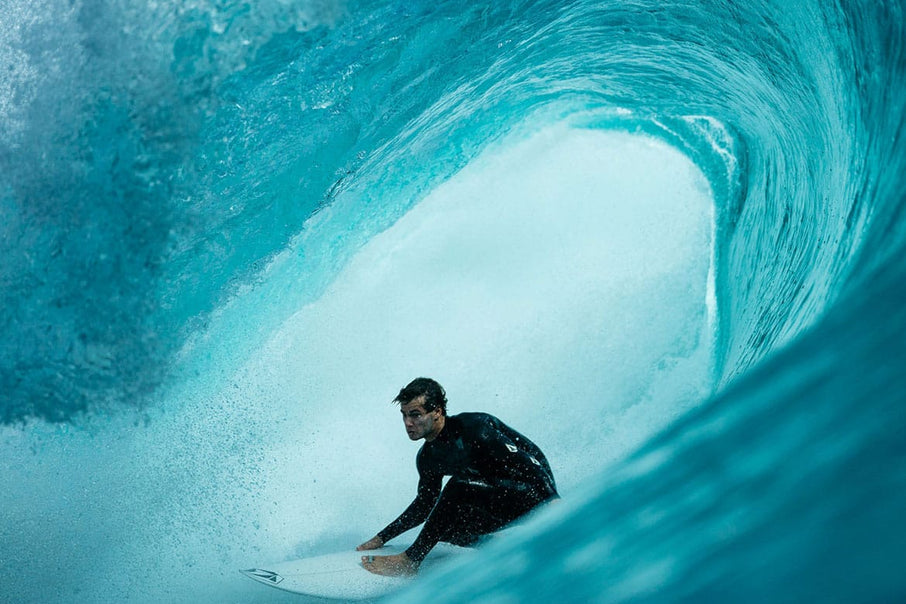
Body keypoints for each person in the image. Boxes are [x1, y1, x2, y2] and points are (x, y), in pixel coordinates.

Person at [358, 377, 558, 576]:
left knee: (459, 485)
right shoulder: (428, 457)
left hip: (532, 495)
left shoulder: (475, 429)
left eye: (415, 415)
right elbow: (424, 504)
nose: (408, 423)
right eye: (404, 415)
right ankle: (491, 544)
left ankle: (410, 560)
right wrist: (382, 538)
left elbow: (530, 464)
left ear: (437, 411)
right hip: (499, 503)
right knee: (441, 527)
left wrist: (553, 500)